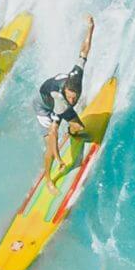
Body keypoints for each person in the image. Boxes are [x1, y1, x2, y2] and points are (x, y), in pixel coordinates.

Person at [36, 14, 95, 180]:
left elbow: (84, 51)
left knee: (78, 129)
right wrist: (59, 158)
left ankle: (71, 132)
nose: (73, 101)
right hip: (44, 104)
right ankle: (48, 178)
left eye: (74, 99)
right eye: (70, 98)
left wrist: (91, 29)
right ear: (66, 92)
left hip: (57, 98)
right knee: (50, 145)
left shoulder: (76, 75)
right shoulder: (60, 100)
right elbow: (54, 131)